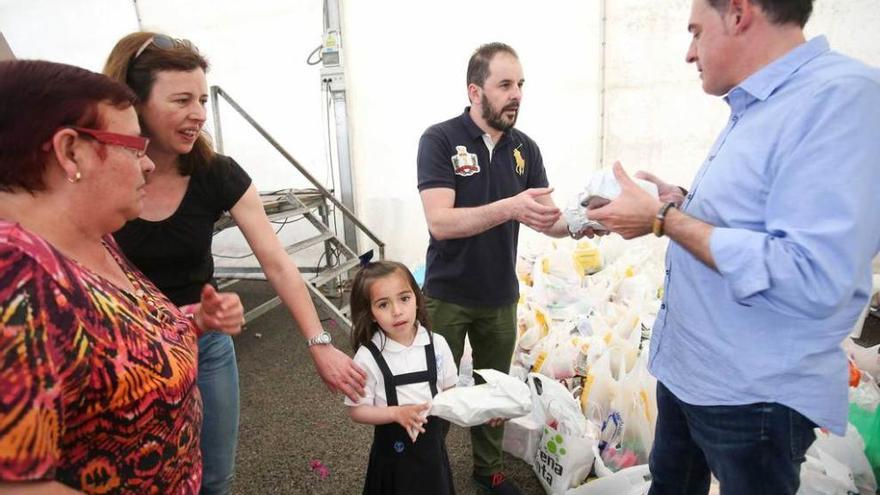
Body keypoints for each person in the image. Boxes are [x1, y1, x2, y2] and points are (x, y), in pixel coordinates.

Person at [587, 0, 880, 493]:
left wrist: (663, 219)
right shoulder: (761, 103)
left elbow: (811, 274)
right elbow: (759, 215)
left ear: (740, 13)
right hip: (690, 373)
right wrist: (682, 200)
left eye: (696, 32)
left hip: (750, 398)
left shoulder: (841, 99)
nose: (688, 52)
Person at [101, 32, 368, 494]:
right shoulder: (98, 173)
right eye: (182, 99)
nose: (200, 114)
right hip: (123, 356)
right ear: (133, 102)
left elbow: (278, 263)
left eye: (203, 99)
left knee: (214, 479)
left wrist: (319, 342)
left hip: (203, 346)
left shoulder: (216, 172)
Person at [0, 60, 244, 494]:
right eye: (133, 147)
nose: (147, 165)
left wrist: (196, 320)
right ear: (70, 151)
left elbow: (121, 341)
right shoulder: (16, 280)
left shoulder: (93, 237)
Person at [416, 42, 587, 494]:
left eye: (521, 85)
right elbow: (441, 222)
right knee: (433, 392)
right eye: (505, 85)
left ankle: (487, 472)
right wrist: (509, 206)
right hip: (447, 295)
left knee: (495, 393)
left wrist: (586, 221)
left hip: (499, 298)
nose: (517, 95)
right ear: (475, 91)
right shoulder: (440, 139)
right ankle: (424, 474)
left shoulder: (524, 149)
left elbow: (545, 215)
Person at [344, 261, 458, 495]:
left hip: (432, 452)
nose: (397, 311)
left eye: (404, 298)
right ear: (371, 313)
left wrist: (485, 409)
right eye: (383, 304)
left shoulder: (437, 344)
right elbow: (357, 411)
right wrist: (396, 413)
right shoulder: (367, 357)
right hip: (392, 458)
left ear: (417, 298)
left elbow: (452, 393)